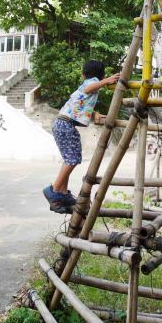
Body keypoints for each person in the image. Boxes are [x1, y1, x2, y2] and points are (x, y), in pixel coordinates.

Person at [44, 60, 120, 214]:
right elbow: (90, 88)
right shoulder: (92, 83)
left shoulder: (85, 85)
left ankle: (63, 194)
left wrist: (95, 114)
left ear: (83, 73)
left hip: (61, 124)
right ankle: (54, 191)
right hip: (65, 125)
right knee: (73, 159)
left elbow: (79, 107)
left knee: (69, 159)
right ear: (101, 74)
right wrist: (106, 81)